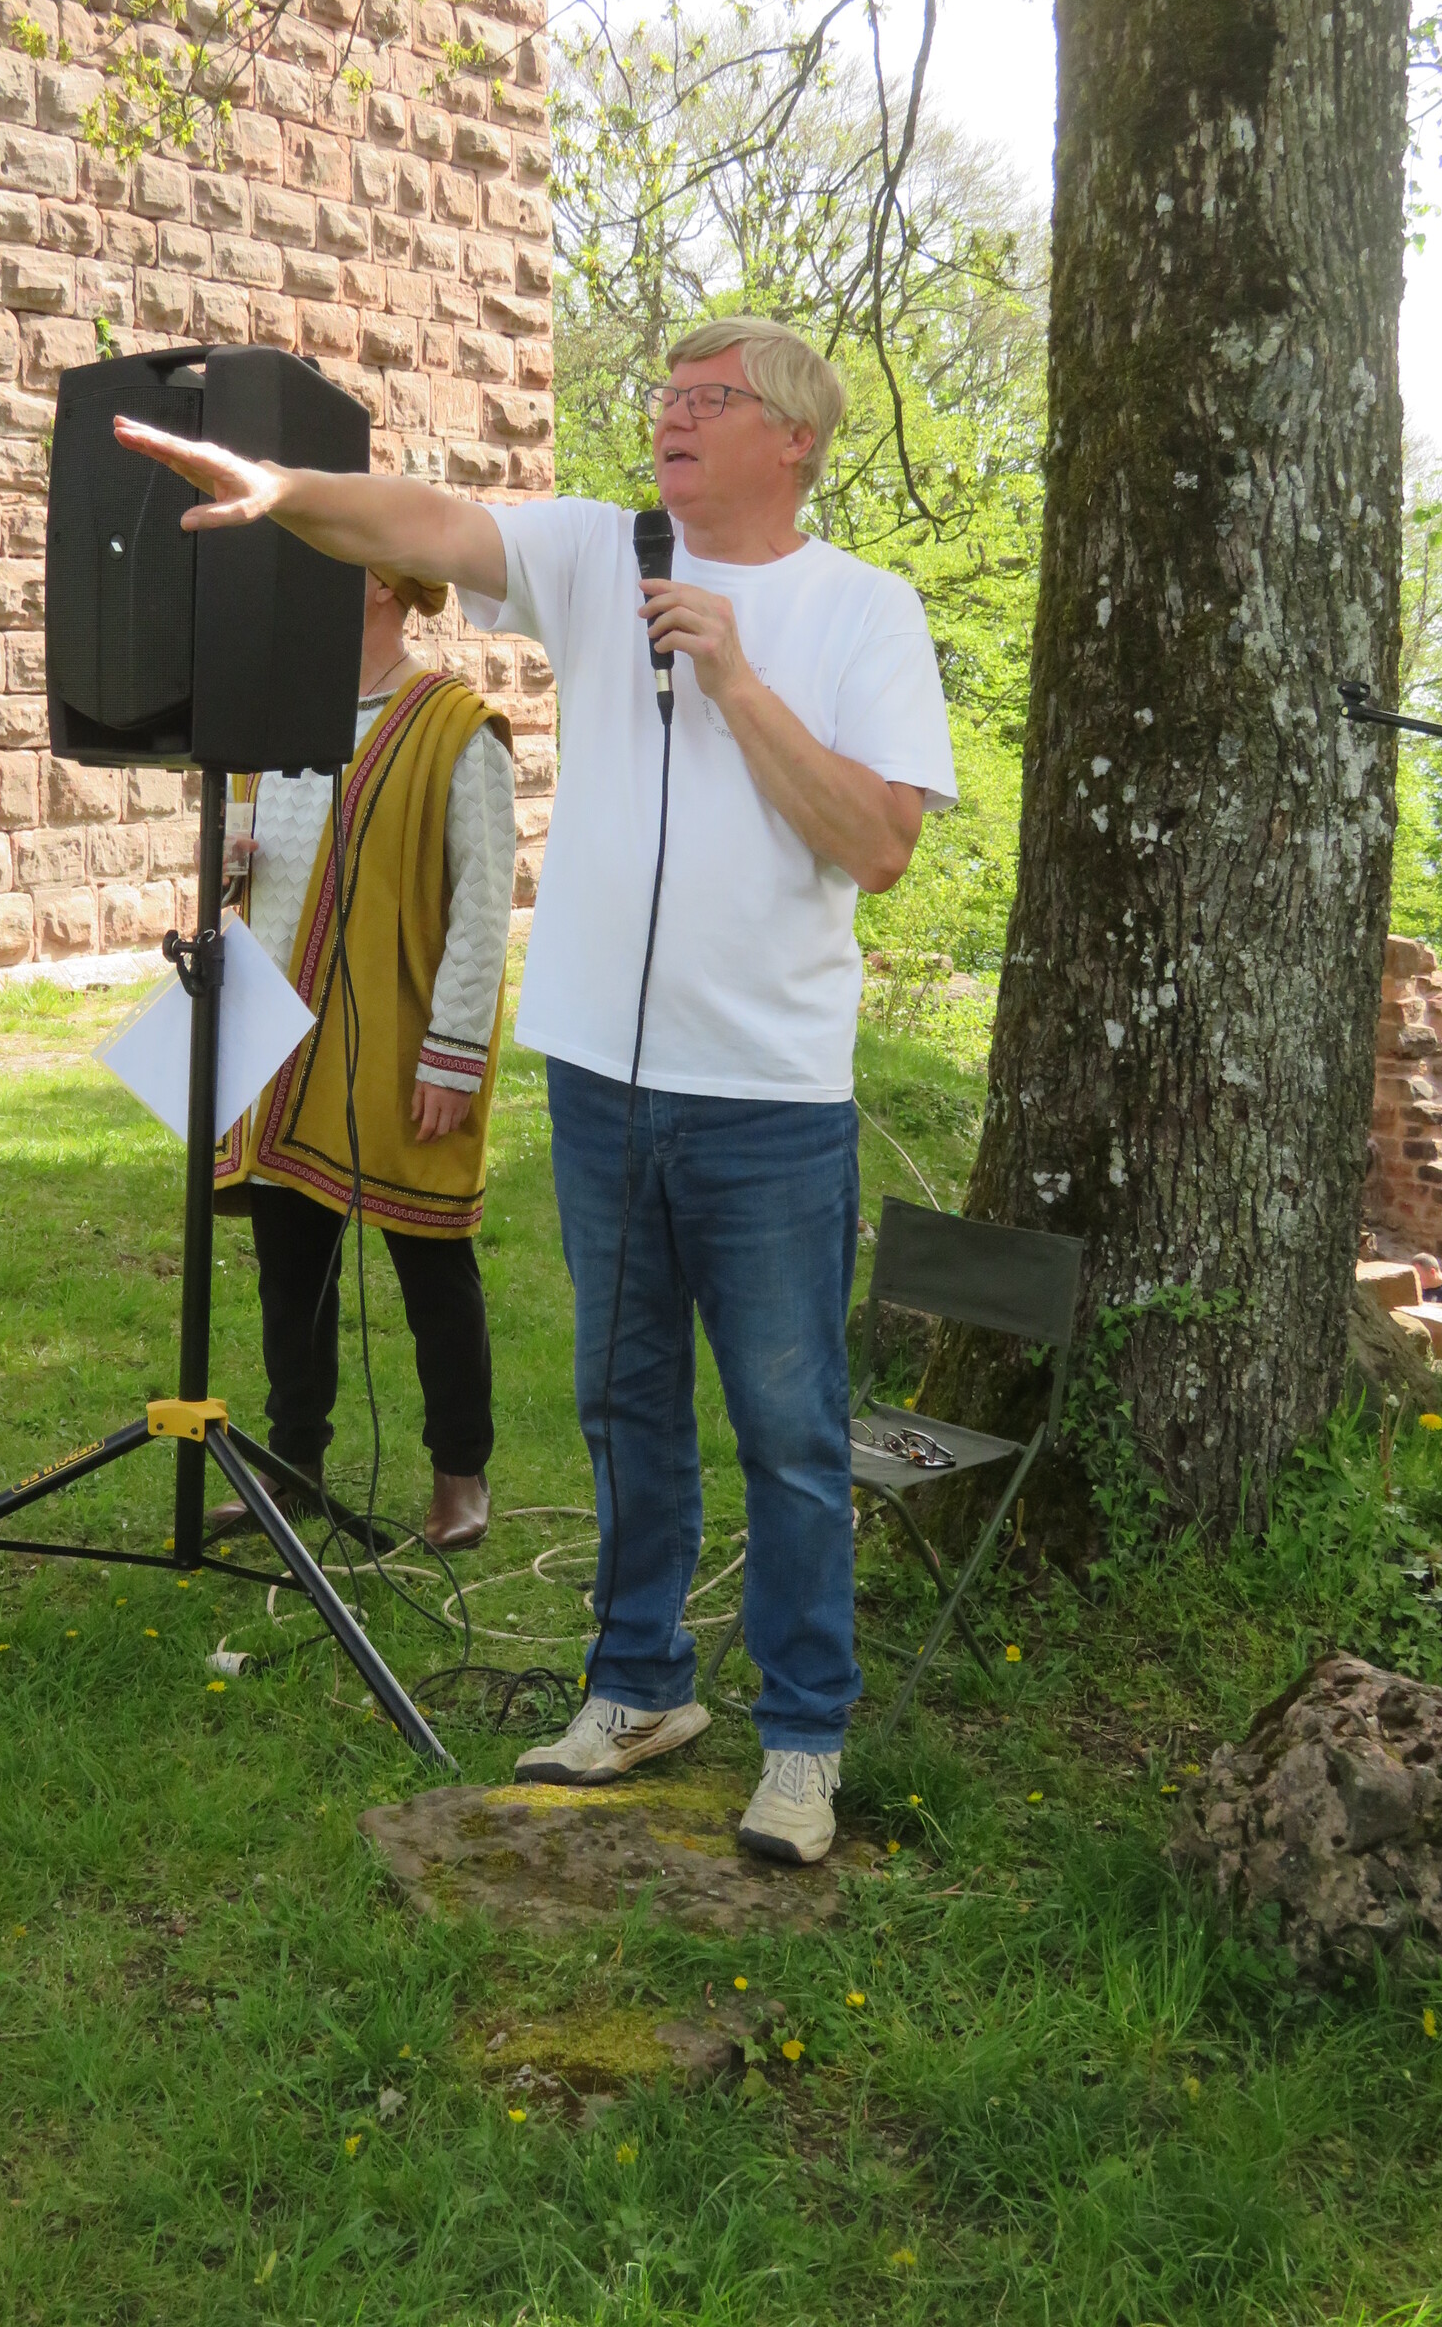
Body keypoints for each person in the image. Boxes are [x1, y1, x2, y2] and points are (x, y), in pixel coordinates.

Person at [113, 315, 956, 1863]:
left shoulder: (863, 611)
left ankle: (802, 1739)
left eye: (708, 399)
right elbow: (430, 526)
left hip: (768, 1101)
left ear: (795, 438)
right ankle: (638, 1689)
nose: (671, 416)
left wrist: (737, 680)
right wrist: (287, 489)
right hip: (603, 1083)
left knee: (788, 1428)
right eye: (666, 395)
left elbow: (881, 845)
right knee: (624, 1404)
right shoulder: (595, 554)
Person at [208, 566, 517, 1555]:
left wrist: (454, 1055)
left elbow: (484, 905)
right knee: (289, 1264)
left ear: (383, 583)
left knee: (431, 1256)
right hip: (280, 1029)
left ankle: (460, 1471)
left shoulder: (455, 728)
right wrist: (229, 861)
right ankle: (293, 1462)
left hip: (397, 1029)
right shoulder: (276, 716)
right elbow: (247, 860)